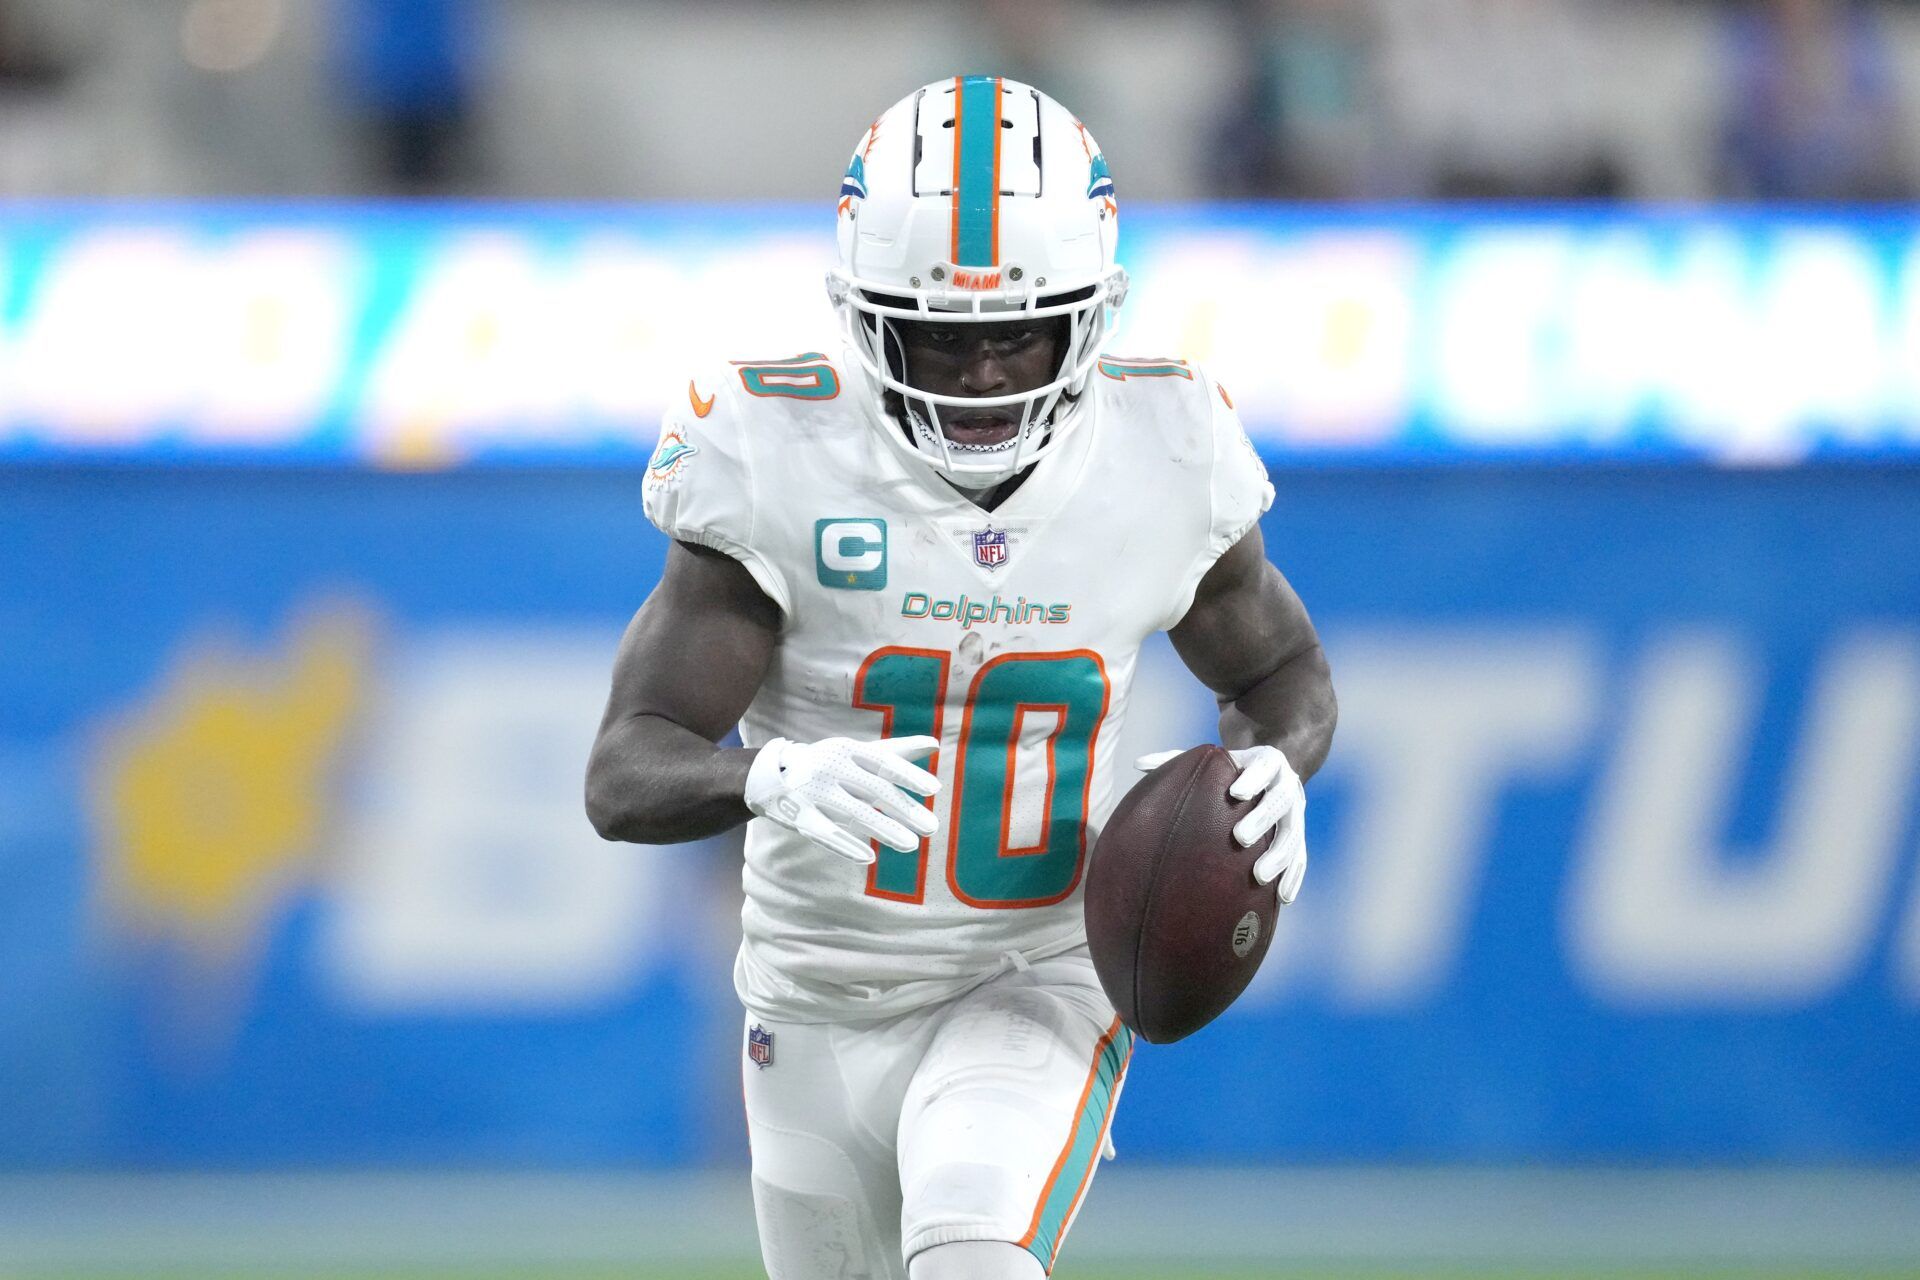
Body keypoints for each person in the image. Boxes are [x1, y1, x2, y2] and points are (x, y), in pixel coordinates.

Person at [586, 76, 1335, 1280]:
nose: (984, 374)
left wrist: (1274, 765)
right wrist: (765, 774)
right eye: (941, 334)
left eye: (1020, 332)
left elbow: (1282, 667)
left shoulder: (1168, 447)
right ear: (861, 314)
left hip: (1033, 971)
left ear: (1092, 315)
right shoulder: (772, 449)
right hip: (813, 991)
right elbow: (622, 769)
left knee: (973, 1247)